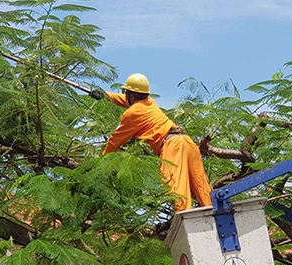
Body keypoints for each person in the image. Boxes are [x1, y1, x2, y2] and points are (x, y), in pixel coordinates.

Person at [90, 73, 212, 213]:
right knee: (202, 188)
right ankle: (217, 216)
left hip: (173, 147)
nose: (124, 95)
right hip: (187, 142)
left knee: (177, 190)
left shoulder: (132, 114)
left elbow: (115, 140)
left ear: (132, 95)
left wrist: (102, 162)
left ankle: (184, 223)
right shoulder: (149, 101)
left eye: (126, 92)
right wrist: (106, 95)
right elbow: (126, 101)